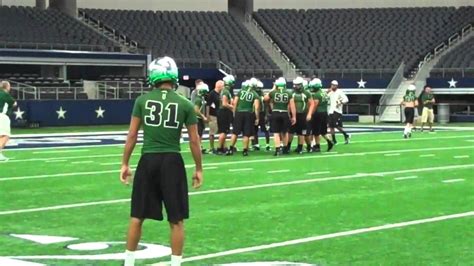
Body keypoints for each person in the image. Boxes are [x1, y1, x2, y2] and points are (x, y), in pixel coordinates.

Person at [120, 57, 203, 266]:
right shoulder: (185, 103)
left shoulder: (142, 101)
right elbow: (194, 140)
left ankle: (128, 263)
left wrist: (124, 163)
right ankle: (175, 264)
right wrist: (199, 168)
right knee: (176, 220)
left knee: (137, 216)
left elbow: (131, 135)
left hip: (148, 159)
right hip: (172, 162)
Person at [227, 79, 260, 156]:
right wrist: (257, 117)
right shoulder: (255, 94)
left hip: (239, 113)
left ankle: (231, 149)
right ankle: (245, 150)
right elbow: (256, 107)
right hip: (248, 113)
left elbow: (235, 103)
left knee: (235, 132)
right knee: (246, 134)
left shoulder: (240, 91)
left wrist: (234, 113)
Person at [265, 77, 293, 156]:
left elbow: (265, 98)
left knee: (276, 132)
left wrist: (273, 88)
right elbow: (292, 106)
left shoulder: (273, 92)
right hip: (284, 113)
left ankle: (277, 149)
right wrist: (293, 116)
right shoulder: (288, 93)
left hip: (276, 113)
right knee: (285, 132)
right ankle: (285, 148)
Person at [288, 77, 314, 154]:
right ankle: (288, 147)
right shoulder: (291, 93)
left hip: (303, 114)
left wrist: (309, 114)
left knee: (302, 132)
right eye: (295, 85)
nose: (295, 86)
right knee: (291, 131)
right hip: (293, 114)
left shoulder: (306, 93)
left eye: (297, 85)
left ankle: (300, 147)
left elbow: (312, 103)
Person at [309, 78, 334, 152]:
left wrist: (310, 114)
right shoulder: (323, 93)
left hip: (318, 114)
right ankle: (329, 141)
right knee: (323, 131)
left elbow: (315, 105)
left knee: (316, 131)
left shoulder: (316, 94)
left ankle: (317, 146)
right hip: (324, 113)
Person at [327, 80, 350, 145]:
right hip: (331, 110)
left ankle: (346, 135)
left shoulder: (340, 92)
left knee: (335, 125)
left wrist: (340, 102)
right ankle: (334, 140)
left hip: (337, 111)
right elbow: (325, 98)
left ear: (336, 86)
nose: (332, 86)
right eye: (332, 85)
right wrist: (327, 92)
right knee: (331, 126)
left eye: (334, 85)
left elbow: (346, 99)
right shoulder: (330, 92)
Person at [217, 75, 235, 154]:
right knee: (223, 131)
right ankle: (219, 148)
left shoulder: (225, 91)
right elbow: (224, 104)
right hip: (224, 112)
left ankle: (222, 147)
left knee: (224, 131)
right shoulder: (225, 91)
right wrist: (232, 107)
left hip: (223, 112)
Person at [252, 80, 271, 151]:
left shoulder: (261, 95)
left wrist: (266, 115)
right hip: (257, 113)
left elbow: (266, 105)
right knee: (255, 130)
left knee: (264, 130)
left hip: (261, 113)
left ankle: (267, 144)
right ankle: (256, 144)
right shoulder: (255, 94)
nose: (259, 89)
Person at [0, 81, 16, 161]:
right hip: (2, 116)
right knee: (6, 135)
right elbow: (14, 103)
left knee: (1, 135)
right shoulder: (5, 94)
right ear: (7, 87)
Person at [206, 80, 223, 153]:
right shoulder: (212, 94)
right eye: (223, 86)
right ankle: (211, 147)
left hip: (220, 115)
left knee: (221, 131)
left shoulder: (221, 94)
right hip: (213, 115)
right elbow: (208, 105)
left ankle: (221, 146)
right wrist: (207, 115)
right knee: (212, 132)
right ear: (219, 86)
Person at [194, 83, 209, 154]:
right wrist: (203, 116)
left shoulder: (201, 98)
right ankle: (198, 147)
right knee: (198, 134)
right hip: (197, 118)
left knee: (200, 133)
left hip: (199, 118)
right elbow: (196, 110)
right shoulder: (198, 99)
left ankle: (200, 146)